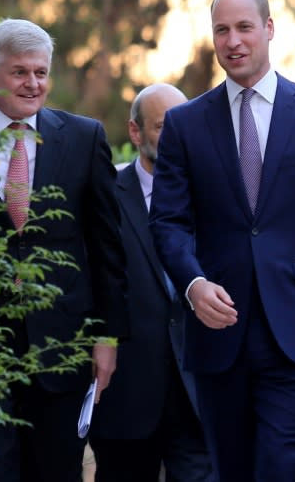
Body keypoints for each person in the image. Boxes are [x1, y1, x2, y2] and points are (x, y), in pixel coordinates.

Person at [149, 0, 295, 482]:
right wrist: (192, 282)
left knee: (278, 468)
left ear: (269, 29)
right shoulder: (184, 125)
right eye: (222, 30)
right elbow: (167, 220)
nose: (234, 41)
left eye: (245, 27)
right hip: (217, 332)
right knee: (232, 472)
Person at [0, 18, 129, 482]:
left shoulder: (83, 138)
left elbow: (107, 250)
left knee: (57, 471)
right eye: (20, 72)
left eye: (40, 72)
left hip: (63, 344)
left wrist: (108, 338)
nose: (32, 84)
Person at [89, 84, 215, 482]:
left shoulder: (216, 196)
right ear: (135, 132)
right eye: (163, 127)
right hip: (127, 392)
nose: (177, 137)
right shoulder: (104, 194)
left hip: (200, 389)